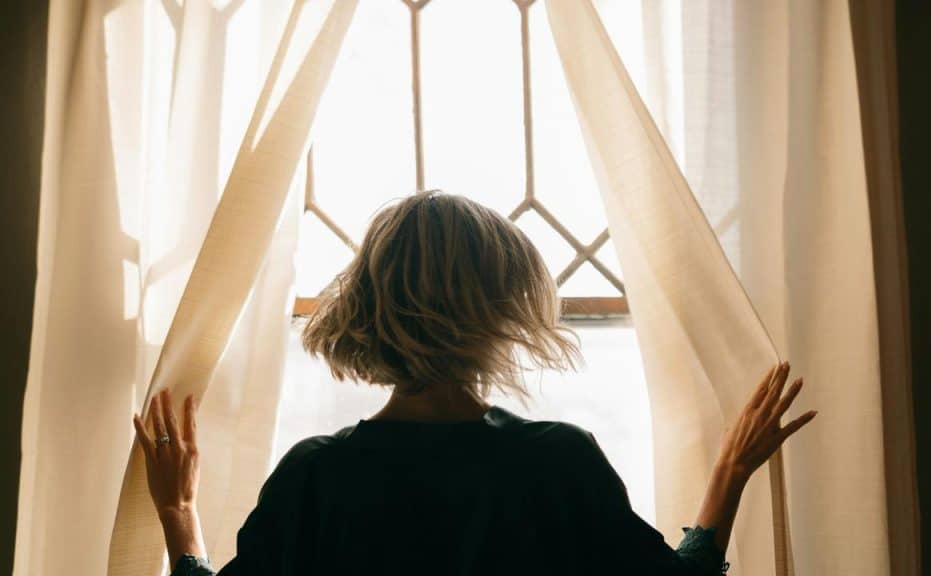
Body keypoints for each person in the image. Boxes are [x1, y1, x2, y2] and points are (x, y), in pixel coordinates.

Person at [133, 191, 816, 575]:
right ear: (499, 314)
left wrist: (178, 515)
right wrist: (729, 472)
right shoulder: (555, 461)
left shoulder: (316, 476)